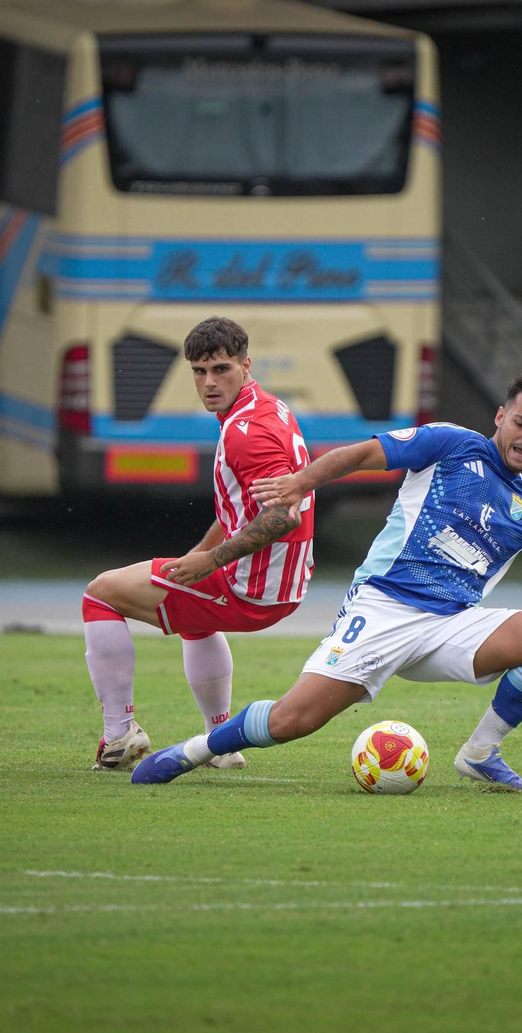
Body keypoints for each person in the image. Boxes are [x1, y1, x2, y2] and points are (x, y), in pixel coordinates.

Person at [131, 369, 522, 789]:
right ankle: (193, 751)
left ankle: (480, 753)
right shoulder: (452, 445)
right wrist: (300, 482)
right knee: (292, 721)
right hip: (383, 608)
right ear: (501, 417)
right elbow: (360, 455)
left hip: (451, 626)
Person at [81, 316, 315, 770]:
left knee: (100, 595)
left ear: (246, 366)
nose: (209, 382)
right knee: (194, 618)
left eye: (221, 369)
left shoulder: (247, 434)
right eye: (199, 371)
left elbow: (281, 517)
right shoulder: (269, 409)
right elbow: (242, 507)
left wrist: (210, 560)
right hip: (281, 585)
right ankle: (219, 743)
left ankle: (118, 735)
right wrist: (199, 553)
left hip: (251, 588)